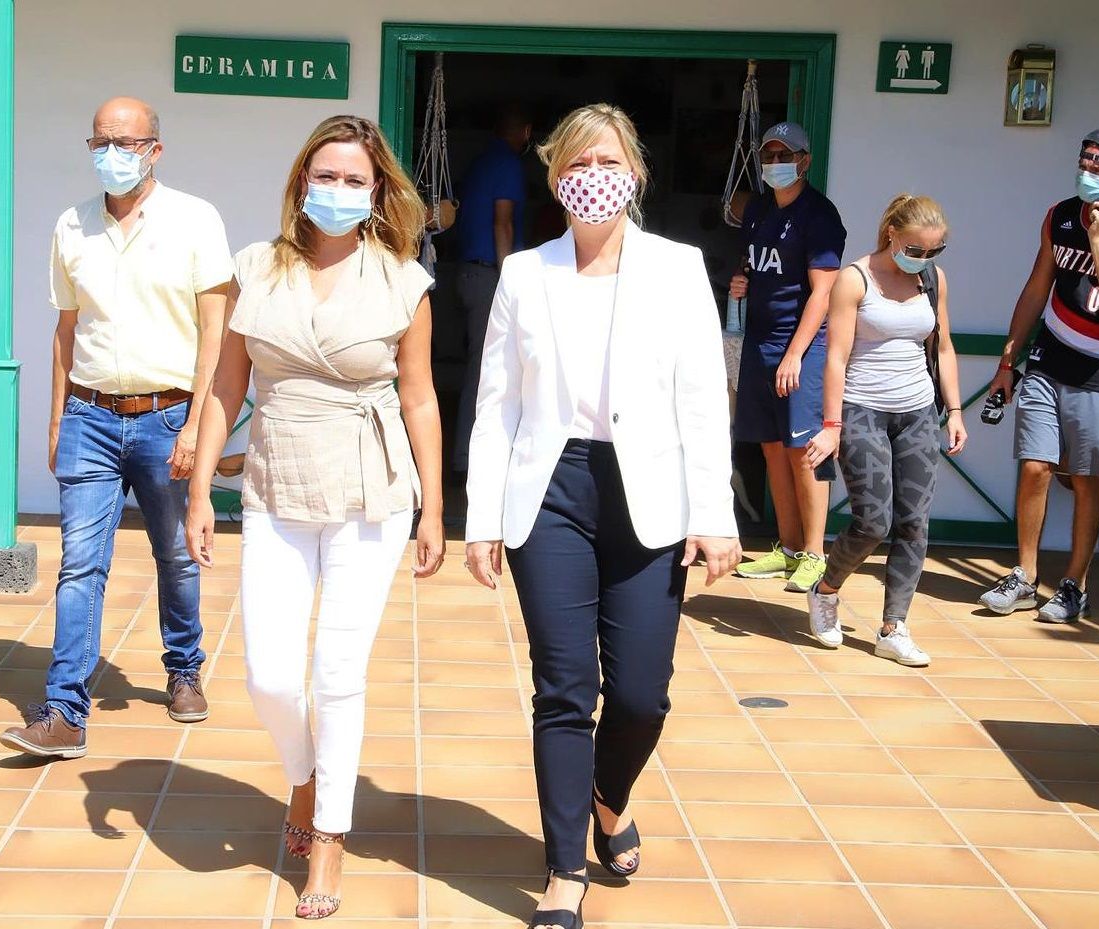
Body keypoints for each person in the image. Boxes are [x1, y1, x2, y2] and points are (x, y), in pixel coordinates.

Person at [464, 103, 741, 929]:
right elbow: (497, 405)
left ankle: (607, 798)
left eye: (609, 162)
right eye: (578, 164)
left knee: (641, 696)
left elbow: (700, 399)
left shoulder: (676, 267)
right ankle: (562, 872)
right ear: (556, 177)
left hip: (647, 495)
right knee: (563, 689)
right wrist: (483, 516)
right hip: (551, 490)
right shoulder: (526, 274)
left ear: (636, 175)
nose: (594, 177)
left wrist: (714, 513)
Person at [185, 115, 446, 920]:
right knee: (267, 673)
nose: (336, 191)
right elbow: (225, 387)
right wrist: (199, 488)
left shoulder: (403, 280)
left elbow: (418, 396)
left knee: (337, 673)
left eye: (353, 180)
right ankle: (302, 776)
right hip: (274, 481)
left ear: (377, 193)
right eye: (323, 176)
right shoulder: (254, 269)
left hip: (372, 486)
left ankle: (328, 833)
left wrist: (437, 506)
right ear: (300, 180)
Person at [0, 97, 232, 759]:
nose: (113, 152)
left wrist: (195, 421)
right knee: (80, 565)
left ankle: (183, 667)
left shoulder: (194, 220)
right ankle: (64, 711)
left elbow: (214, 327)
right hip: (89, 416)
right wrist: (54, 419)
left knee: (176, 555)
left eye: (126, 141)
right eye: (101, 140)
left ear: (155, 149)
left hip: (166, 415)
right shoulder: (71, 226)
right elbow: (65, 331)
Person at [978, 129, 1099, 623]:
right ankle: (1024, 575)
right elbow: (1036, 287)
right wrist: (1007, 363)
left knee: (1085, 478)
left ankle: (1074, 585)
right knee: (1035, 465)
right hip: (1049, 356)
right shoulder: (1060, 214)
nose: (1088, 173)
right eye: (1084, 162)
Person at [803, 195, 968, 667]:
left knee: (914, 523)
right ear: (892, 233)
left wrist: (954, 410)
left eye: (934, 251)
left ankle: (894, 626)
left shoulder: (932, 280)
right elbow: (835, 356)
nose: (924, 259)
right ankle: (827, 588)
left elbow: (944, 345)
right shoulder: (855, 279)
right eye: (916, 249)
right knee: (873, 522)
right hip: (863, 410)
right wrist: (831, 426)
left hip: (916, 410)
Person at [729, 121, 847, 593]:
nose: (775, 163)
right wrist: (743, 284)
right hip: (759, 342)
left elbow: (823, 293)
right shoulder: (758, 208)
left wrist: (796, 354)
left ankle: (816, 554)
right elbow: (757, 268)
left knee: (804, 450)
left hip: (801, 347)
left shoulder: (820, 215)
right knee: (772, 446)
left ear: (805, 160)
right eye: (768, 154)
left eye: (785, 155)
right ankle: (789, 547)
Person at [452, 104, 531, 477]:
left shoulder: (482, 162)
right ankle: (468, 462)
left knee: (482, 367)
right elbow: (503, 224)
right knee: (488, 372)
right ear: (526, 133)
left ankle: (470, 458)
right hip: (489, 278)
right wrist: (508, 279)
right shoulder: (509, 165)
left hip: (467, 273)